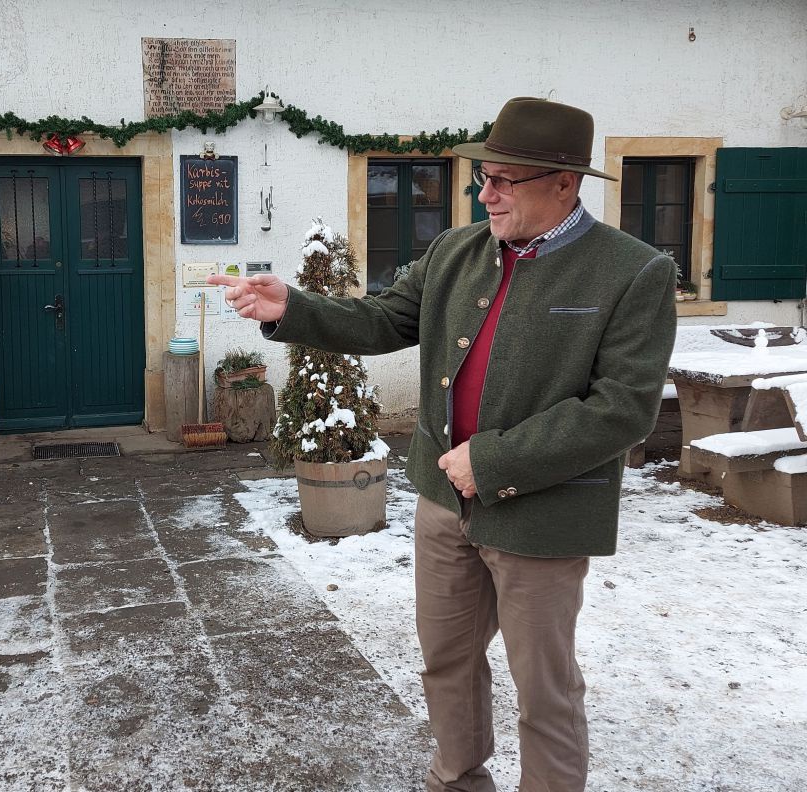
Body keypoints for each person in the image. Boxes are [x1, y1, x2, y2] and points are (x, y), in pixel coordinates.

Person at [208, 97, 676, 792]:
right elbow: (382, 320)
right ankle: (457, 778)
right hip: (441, 505)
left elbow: (621, 411)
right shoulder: (456, 251)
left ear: (563, 182)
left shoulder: (632, 272)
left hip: (541, 515)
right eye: (481, 178)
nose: (483, 193)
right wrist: (294, 308)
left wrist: (491, 461)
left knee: (544, 687)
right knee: (446, 661)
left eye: (502, 180)